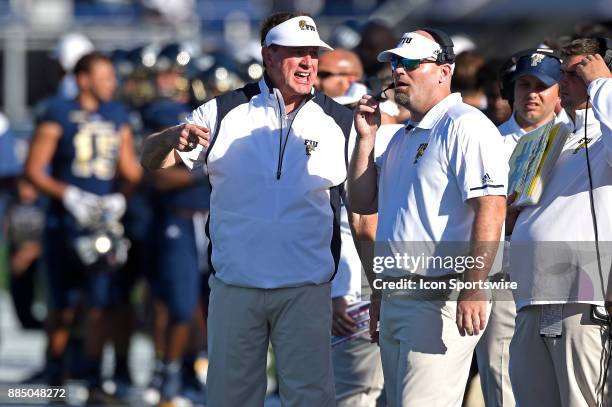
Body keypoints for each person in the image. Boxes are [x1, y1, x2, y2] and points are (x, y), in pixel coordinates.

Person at [141, 12, 353, 407]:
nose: (308, 63)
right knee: (229, 400)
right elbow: (153, 161)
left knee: (311, 400)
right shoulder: (220, 112)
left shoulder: (343, 122)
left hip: (306, 288)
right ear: (268, 55)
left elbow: (363, 209)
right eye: (296, 53)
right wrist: (170, 136)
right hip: (236, 287)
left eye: (313, 53)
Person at [348, 29, 507, 407]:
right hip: (398, 294)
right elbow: (361, 201)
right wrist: (365, 140)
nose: (398, 72)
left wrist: (474, 285)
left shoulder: (465, 124)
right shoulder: (403, 135)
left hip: (442, 295)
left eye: (410, 64)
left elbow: (492, 206)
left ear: (443, 71)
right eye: (395, 64)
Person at [24, 51, 142, 402]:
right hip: (66, 221)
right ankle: (56, 378)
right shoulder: (57, 112)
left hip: (102, 225)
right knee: (62, 306)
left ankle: (93, 381)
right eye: (104, 76)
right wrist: (70, 195)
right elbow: (34, 168)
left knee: (99, 304)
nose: (112, 83)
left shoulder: (117, 114)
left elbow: (130, 171)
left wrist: (122, 196)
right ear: (83, 79)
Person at [507, 38, 612, 407]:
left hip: (582, 298)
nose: (564, 82)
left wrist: (603, 82)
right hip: (531, 296)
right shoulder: (553, 137)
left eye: (576, 72)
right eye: (562, 74)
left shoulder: (605, 133)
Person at [476, 50, 563, 407]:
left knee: (561, 376)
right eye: (524, 84)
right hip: (504, 269)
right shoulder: (487, 142)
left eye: (543, 86)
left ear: (560, 91)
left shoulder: (574, 141)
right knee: (501, 370)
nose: (532, 94)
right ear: (510, 90)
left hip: (564, 272)